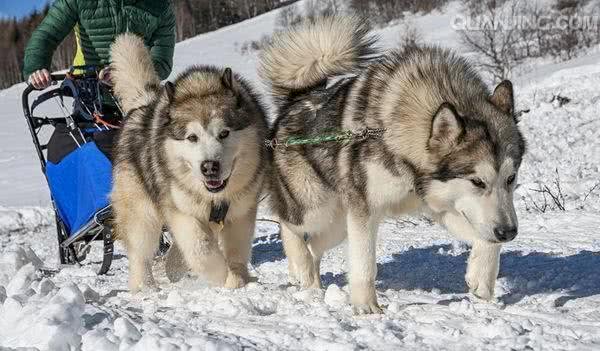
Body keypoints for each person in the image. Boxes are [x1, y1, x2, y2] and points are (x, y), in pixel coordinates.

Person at [23, 0, 176, 89]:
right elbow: (46, 35)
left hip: (138, 97)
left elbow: (161, 61)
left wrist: (127, 74)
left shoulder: (160, 7)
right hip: (89, 93)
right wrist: (36, 68)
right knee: (62, 144)